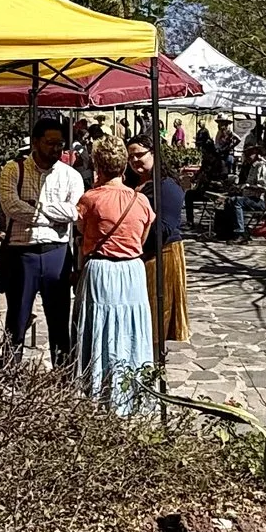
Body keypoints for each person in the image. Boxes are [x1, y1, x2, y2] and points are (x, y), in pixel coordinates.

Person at [73, 140, 155, 415]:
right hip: (132, 271)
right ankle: (133, 394)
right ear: (124, 165)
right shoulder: (140, 200)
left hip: (102, 270)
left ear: (97, 165)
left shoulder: (90, 199)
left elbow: (83, 232)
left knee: (100, 328)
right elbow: (142, 238)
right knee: (131, 329)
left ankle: (99, 392)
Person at [0, 116, 83, 363]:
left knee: (58, 319)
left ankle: (62, 376)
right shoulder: (13, 169)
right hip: (21, 252)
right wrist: (53, 218)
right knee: (17, 318)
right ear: (35, 142)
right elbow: (12, 207)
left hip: (56, 253)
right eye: (50, 143)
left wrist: (39, 207)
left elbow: (75, 211)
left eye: (60, 144)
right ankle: (9, 372)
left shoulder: (71, 175)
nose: (56, 149)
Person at [128, 136, 190, 344]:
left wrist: (132, 235)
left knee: (156, 312)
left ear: (153, 154)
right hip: (140, 255)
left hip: (162, 254)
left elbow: (163, 228)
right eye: (130, 157)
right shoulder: (134, 184)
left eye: (139, 155)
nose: (135, 160)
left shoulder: (167, 186)